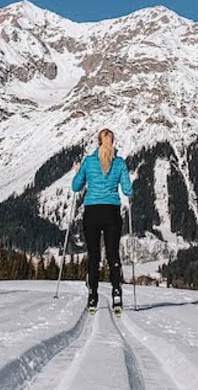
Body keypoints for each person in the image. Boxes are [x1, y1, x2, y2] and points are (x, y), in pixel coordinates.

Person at [71, 128, 133, 313]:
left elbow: (76, 186)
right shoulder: (119, 163)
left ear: (98, 142)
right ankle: (116, 293)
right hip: (112, 212)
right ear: (112, 142)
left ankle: (93, 297)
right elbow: (128, 191)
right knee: (113, 255)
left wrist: (77, 172)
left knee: (94, 256)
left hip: (92, 213)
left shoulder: (89, 162)